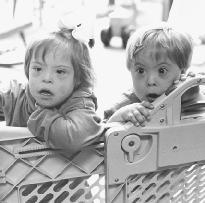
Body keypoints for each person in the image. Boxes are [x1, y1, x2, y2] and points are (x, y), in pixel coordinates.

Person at [0, 20, 104, 154]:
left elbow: (74, 138)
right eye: (37, 69)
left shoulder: (81, 103)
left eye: (60, 72)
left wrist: (41, 115)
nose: (46, 78)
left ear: (78, 78)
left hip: (64, 173)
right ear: (27, 70)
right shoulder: (19, 94)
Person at [104, 22, 202, 126]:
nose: (150, 81)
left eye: (162, 71)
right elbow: (101, 136)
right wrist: (119, 116)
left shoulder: (186, 93)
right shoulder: (125, 106)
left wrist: (192, 88)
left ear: (182, 72)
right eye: (141, 71)